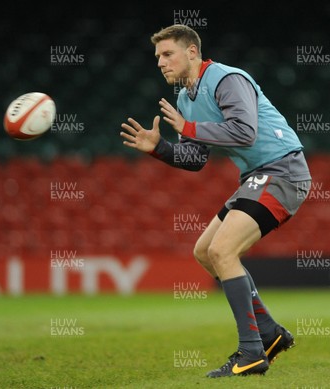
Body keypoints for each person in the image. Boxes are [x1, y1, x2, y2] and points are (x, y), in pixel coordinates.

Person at [120, 24, 311, 378]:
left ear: (191, 52)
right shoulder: (183, 100)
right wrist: (160, 148)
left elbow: (244, 130)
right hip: (258, 175)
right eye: (157, 57)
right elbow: (196, 159)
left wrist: (188, 129)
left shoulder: (226, 79)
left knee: (223, 251)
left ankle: (251, 352)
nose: (160, 63)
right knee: (205, 251)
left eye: (167, 54)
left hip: (283, 169)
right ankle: (268, 332)